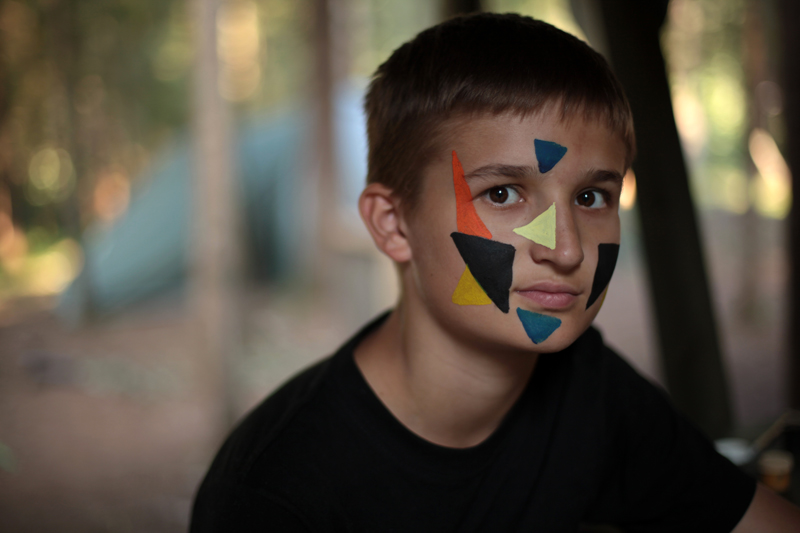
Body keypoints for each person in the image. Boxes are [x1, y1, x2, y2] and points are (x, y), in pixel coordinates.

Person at [191, 13, 800, 532]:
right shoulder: (276, 494)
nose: (566, 250)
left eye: (592, 197)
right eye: (504, 193)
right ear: (393, 224)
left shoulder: (589, 389)